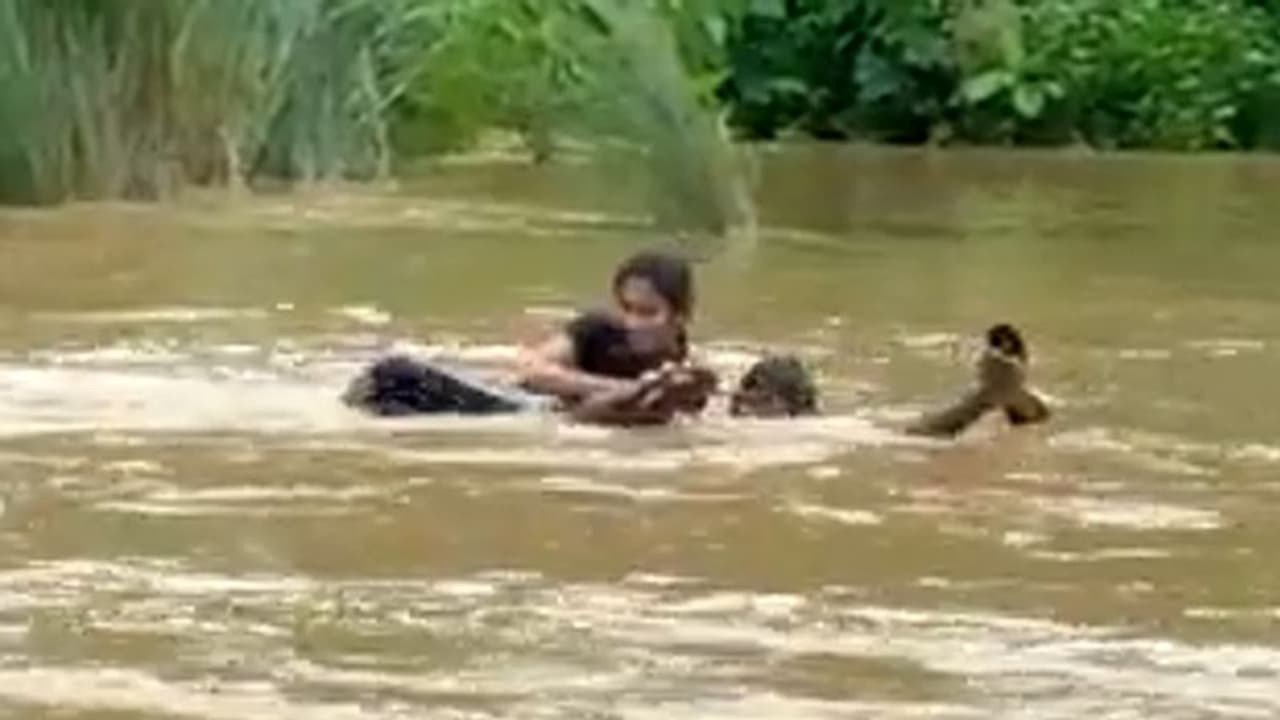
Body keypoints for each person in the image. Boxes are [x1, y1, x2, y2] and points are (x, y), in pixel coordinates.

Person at [725, 323, 1052, 437]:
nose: (738, 401)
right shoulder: (788, 424)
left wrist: (982, 398)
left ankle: (990, 397)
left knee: (912, 438)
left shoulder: (793, 429)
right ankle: (1001, 398)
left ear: (783, 404)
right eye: (744, 389)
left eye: (754, 393)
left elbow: (918, 435)